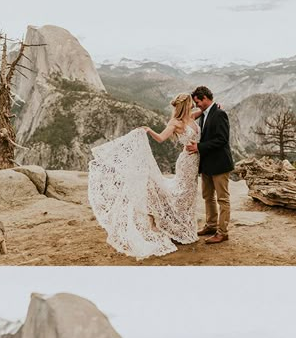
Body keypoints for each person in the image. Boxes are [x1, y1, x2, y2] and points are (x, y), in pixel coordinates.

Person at [87, 93, 201, 260]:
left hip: (195, 160)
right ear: (186, 105)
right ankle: (177, 227)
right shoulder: (175, 123)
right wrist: (149, 130)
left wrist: (215, 107)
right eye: (191, 103)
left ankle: (186, 227)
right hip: (186, 162)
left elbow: (204, 111)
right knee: (183, 193)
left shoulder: (192, 116)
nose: (194, 105)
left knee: (189, 195)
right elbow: (161, 138)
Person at [186, 86, 235, 245]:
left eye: (198, 102)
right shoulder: (204, 114)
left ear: (206, 98)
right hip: (207, 164)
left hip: (220, 164)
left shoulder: (220, 114)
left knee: (222, 199)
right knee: (208, 197)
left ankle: (222, 232)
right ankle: (211, 225)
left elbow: (222, 139)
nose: (197, 105)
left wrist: (199, 147)